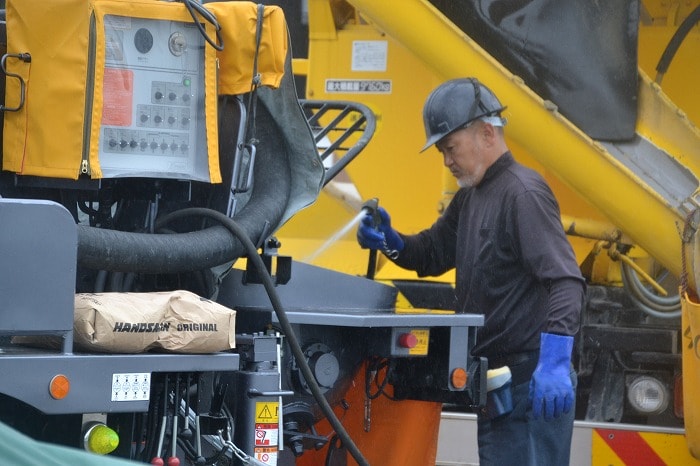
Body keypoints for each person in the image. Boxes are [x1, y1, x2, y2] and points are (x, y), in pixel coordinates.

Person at [357, 77, 585, 465]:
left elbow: (566, 282)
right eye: (442, 151)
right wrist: (390, 241)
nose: (446, 160)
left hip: (531, 387)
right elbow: (430, 254)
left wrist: (556, 362)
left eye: (451, 148)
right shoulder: (472, 195)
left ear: (485, 133)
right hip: (498, 388)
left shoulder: (522, 193)